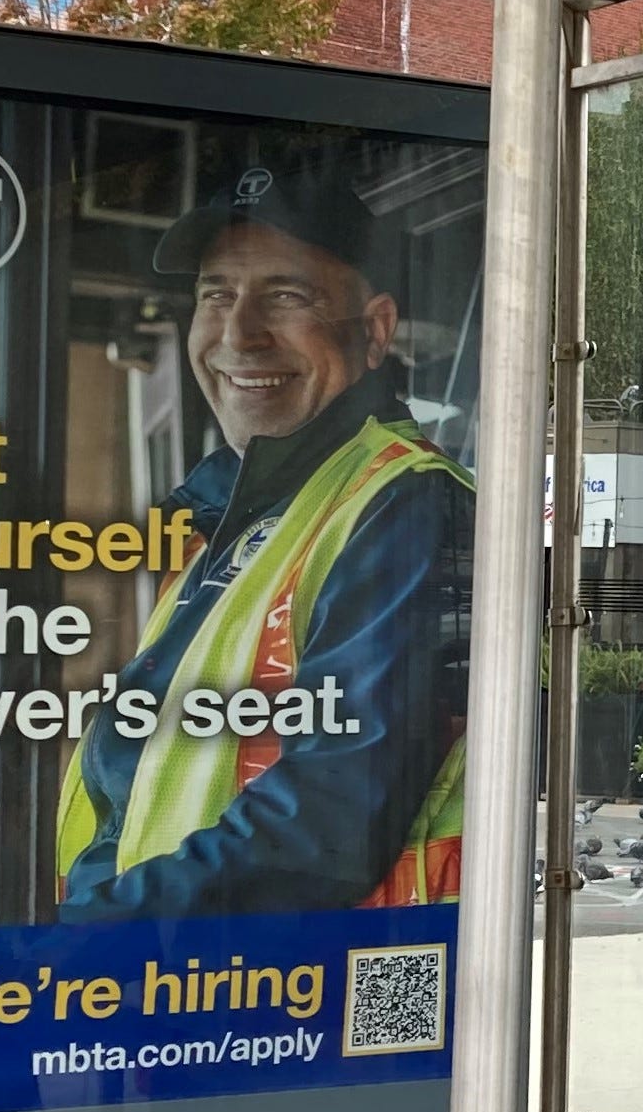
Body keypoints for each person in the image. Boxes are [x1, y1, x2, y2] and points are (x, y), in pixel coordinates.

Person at [55, 160, 474, 916]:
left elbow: (329, 822)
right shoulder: (241, 512)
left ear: (375, 330)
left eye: (286, 295)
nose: (238, 334)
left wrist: (92, 934)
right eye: (216, 294)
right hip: (184, 988)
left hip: (288, 999)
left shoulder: (403, 502)